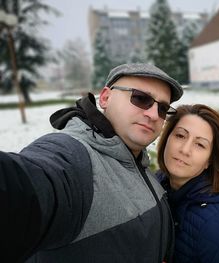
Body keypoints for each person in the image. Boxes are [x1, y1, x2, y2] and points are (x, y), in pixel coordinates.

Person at [0, 63, 183, 263]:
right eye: (140, 98)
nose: (154, 115)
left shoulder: (141, 164)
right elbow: (26, 187)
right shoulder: (72, 156)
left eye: (163, 108)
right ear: (105, 97)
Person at [156, 104, 219, 263]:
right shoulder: (155, 187)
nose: (185, 149)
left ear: (209, 161)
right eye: (180, 136)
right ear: (167, 138)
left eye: (200, 144)